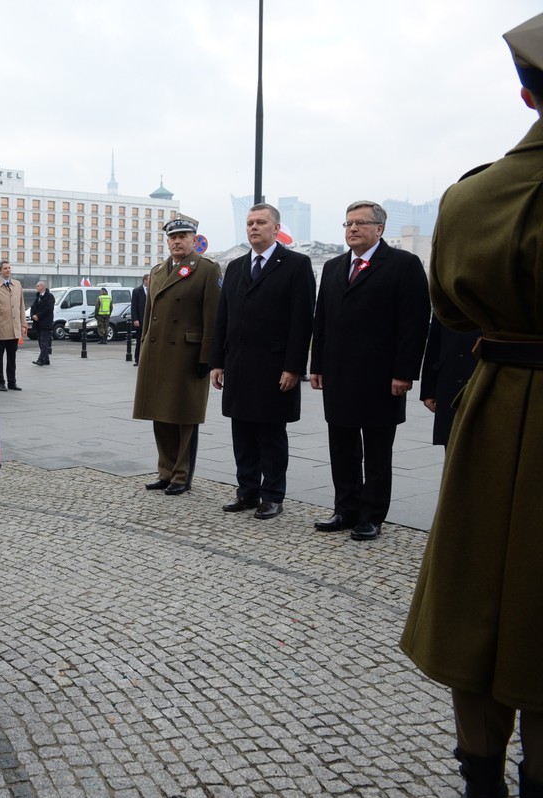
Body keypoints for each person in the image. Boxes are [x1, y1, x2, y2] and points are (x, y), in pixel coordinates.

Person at [401, 13, 543, 796]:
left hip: (497, 407)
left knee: (476, 590)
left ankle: (479, 773)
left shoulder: (473, 197)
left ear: (526, 94)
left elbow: (453, 311)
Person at [308, 201, 430, 541]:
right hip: (339, 373)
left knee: (377, 451)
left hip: (381, 376)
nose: (352, 229)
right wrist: (316, 365)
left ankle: (372, 514)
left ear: (380, 229)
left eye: (361, 223)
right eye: (347, 223)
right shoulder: (333, 267)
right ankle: (345, 508)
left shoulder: (403, 265)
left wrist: (404, 372)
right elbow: (322, 321)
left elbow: (414, 323)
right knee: (342, 445)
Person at [209, 203, 315, 520]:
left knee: (270, 435)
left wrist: (294, 366)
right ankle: (247, 491)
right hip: (238, 365)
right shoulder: (237, 266)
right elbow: (222, 317)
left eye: (261, 222)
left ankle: (272, 495)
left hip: (274, 367)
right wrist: (217, 362)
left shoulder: (295, 264)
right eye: (250, 223)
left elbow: (302, 321)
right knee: (241, 434)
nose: (254, 228)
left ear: (275, 227)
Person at [133, 216, 221, 496]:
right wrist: (144, 345)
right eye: (173, 237)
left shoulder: (206, 269)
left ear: (194, 240)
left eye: (183, 236)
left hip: (188, 353)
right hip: (158, 352)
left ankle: (182, 475)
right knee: (160, 414)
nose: (177, 241)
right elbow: (149, 316)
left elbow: (213, 316)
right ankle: (165, 471)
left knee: (184, 416)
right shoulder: (158, 270)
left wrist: (207, 356)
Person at [419, 315, 479, 448]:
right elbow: (434, 345)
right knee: (451, 442)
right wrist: (428, 391)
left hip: (480, 379)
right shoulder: (447, 296)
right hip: (450, 381)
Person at [0, 259, 26, 391]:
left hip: (14, 328)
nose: (8, 270)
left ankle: (12, 382)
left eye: (9, 268)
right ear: (0, 271)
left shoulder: (17, 284)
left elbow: (21, 305)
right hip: (1, 328)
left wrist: (23, 324)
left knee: (12, 357)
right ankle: (0, 382)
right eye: (5, 268)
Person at [31, 280, 54, 365]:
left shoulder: (50, 297)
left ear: (43, 287)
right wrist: (32, 315)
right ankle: (46, 359)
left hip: (46, 323)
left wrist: (38, 316)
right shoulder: (37, 297)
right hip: (38, 323)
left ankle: (41, 359)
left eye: (38, 286)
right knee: (41, 342)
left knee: (44, 343)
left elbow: (48, 309)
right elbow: (33, 307)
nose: (36, 287)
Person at [130, 274, 149, 366]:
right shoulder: (137, 291)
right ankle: (137, 359)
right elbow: (133, 307)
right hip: (140, 321)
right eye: (149, 280)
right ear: (144, 280)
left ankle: (147, 359)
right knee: (139, 341)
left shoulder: (153, 291)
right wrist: (135, 319)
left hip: (149, 321)